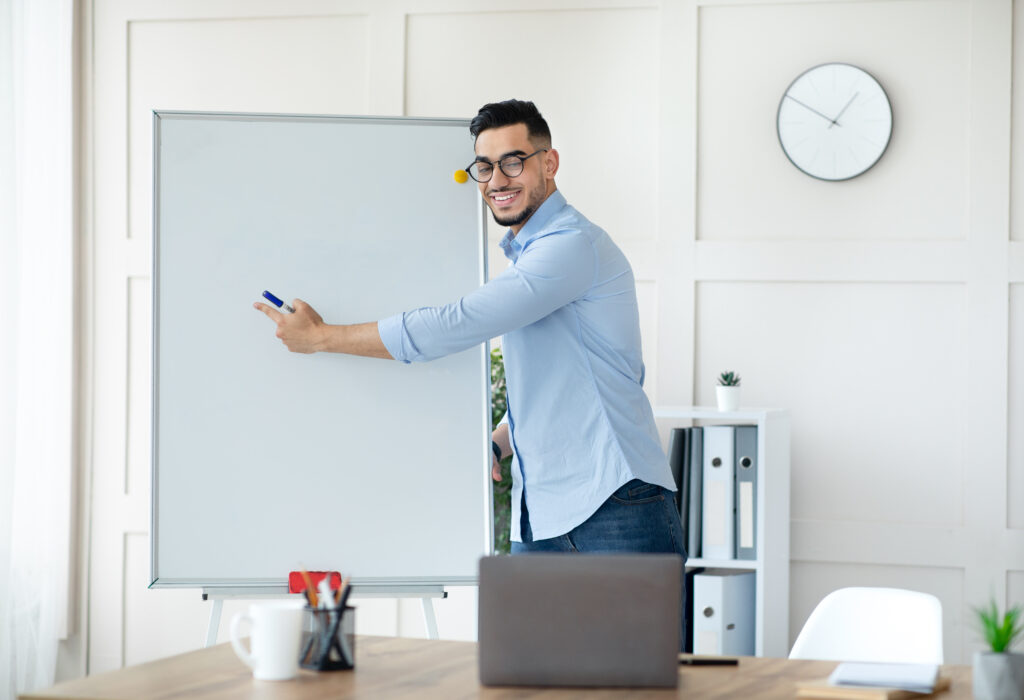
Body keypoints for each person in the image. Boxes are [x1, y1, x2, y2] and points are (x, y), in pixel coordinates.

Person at [254, 98, 686, 569]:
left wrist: (320, 336)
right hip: (542, 515)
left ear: (549, 162)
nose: (498, 181)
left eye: (513, 163)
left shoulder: (569, 245)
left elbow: (457, 323)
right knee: (530, 648)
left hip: (615, 504)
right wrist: (502, 438)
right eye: (485, 167)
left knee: (632, 649)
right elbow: (564, 379)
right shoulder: (534, 253)